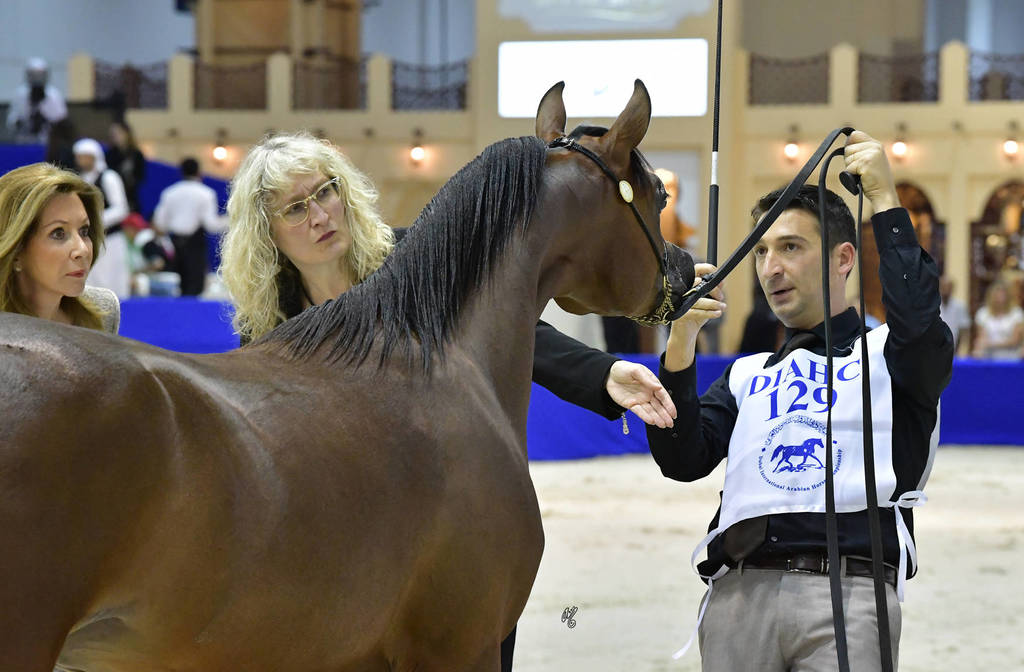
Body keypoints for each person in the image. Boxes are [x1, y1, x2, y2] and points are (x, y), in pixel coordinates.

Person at [219, 131, 678, 672]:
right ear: (267, 233)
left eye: (324, 192)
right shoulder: (267, 333)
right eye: (294, 209)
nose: (319, 215)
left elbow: (509, 326)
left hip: (447, 516)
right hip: (347, 546)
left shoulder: (417, 260)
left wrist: (602, 373)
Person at [647, 131, 952, 671]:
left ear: (843, 258)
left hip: (850, 593)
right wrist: (679, 344)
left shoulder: (894, 353)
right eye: (761, 251)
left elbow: (921, 322)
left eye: (790, 247)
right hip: (737, 597)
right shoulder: (745, 375)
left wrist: (884, 200)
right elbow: (681, 458)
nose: (770, 268)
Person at [0, 162, 118, 333]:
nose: (82, 250)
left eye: (84, 231)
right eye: (58, 233)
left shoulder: (103, 312)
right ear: (16, 250)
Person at [153, 157, 220, 296]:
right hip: (195, 244)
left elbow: (159, 223)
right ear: (199, 173)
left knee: (176, 289)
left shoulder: (170, 193)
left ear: (181, 172)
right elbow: (211, 225)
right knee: (195, 288)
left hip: (175, 243)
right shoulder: (206, 193)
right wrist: (230, 220)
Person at [74, 137, 131, 298]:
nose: (80, 160)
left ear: (94, 157)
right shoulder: (80, 179)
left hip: (110, 240)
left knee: (111, 283)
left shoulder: (109, 177)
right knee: (90, 282)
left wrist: (94, 221)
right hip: (88, 240)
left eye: (84, 156)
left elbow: (121, 208)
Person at [5, 58, 67, 143]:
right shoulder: (20, 94)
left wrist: (45, 119)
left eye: (40, 75)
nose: (37, 78)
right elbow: (11, 121)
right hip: (24, 141)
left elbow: (62, 121)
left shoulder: (54, 95)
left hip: (48, 142)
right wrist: (21, 122)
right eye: (33, 75)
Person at [971, 279, 1023, 360]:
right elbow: (982, 337)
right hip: (988, 357)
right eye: (997, 295)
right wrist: (978, 348)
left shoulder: (1017, 313)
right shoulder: (982, 313)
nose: (1000, 298)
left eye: (1003, 294)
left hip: (1011, 358)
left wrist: (990, 344)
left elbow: (1015, 340)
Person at [106, 121, 147, 213]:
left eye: (118, 133)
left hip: (131, 197)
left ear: (127, 134)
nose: (115, 136)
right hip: (113, 195)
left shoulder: (136, 154)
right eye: (113, 134)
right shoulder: (110, 154)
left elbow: (141, 176)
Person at [938, 275, 970, 354]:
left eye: (948, 287)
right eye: (943, 287)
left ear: (952, 289)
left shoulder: (960, 306)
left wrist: (958, 349)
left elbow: (963, 329)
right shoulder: (933, 306)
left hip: (954, 348)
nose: (946, 290)